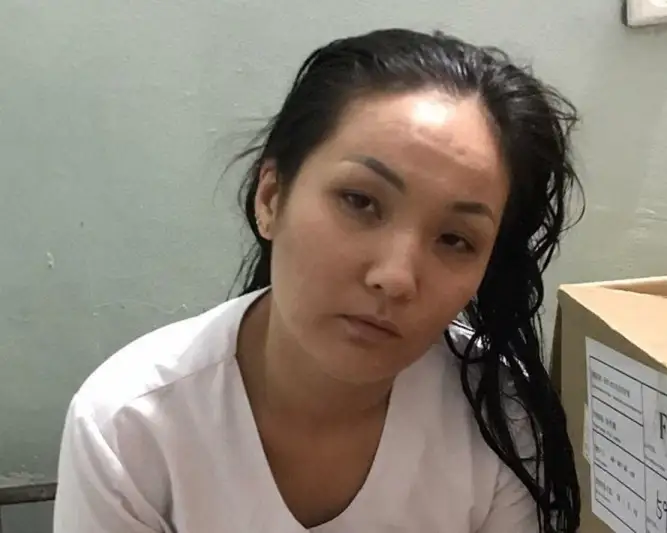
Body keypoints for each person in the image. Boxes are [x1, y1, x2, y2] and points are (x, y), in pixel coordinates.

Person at [53, 28, 582, 533]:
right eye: (360, 201)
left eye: (455, 239)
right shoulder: (130, 427)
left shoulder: (501, 419)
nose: (396, 277)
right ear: (270, 198)